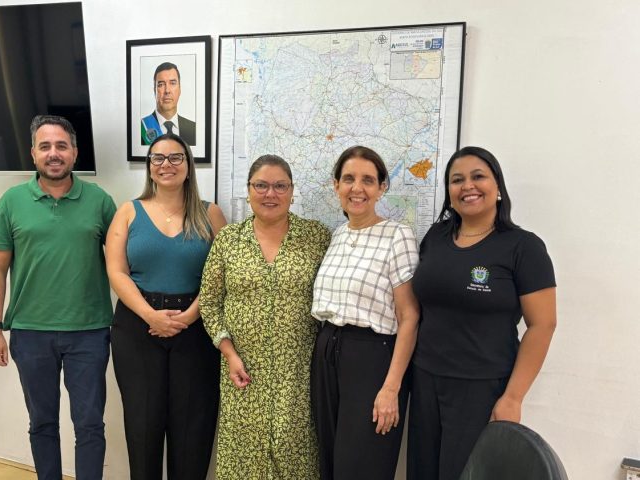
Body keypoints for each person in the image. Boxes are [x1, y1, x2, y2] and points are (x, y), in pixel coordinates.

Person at [407, 146, 557, 480]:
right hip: (425, 379)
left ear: (498, 186)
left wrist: (513, 398)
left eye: (478, 177)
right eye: (457, 180)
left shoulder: (524, 247)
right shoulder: (436, 237)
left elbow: (543, 324)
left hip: (482, 388)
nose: (468, 186)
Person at [0, 114, 116, 480]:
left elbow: (122, 262)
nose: (53, 153)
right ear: (33, 154)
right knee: (42, 423)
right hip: (30, 332)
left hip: (89, 332)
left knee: (90, 424)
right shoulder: (11, 201)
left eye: (61, 146)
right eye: (45, 146)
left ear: (74, 152)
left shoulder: (100, 201)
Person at [199, 155, 331, 479]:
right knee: (244, 463)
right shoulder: (229, 240)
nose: (270, 194)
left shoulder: (316, 237)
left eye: (280, 186)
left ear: (292, 191)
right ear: (248, 191)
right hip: (242, 372)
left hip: (297, 375)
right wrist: (229, 353)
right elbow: (210, 302)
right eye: (261, 185)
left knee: (296, 458)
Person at [106, 133, 225, 480]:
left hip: (197, 328)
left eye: (175, 157)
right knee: (143, 424)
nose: (166, 164)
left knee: (193, 428)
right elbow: (116, 271)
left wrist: (190, 316)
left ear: (188, 165)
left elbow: (223, 274)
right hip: (137, 327)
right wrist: (150, 315)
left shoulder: (211, 214)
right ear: (149, 167)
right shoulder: (128, 212)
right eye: (158, 158)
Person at [311, 146, 421, 480]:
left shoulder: (398, 235)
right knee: (330, 462)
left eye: (368, 180)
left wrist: (391, 388)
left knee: (360, 465)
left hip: (372, 358)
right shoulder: (337, 235)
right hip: (327, 352)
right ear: (336, 185)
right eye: (348, 179)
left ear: (381, 187)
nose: (356, 188)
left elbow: (409, 316)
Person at [141, 62, 196, 146]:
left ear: (180, 89)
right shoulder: (141, 128)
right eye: (161, 84)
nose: (167, 91)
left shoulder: (193, 129)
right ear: (154, 91)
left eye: (172, 83)